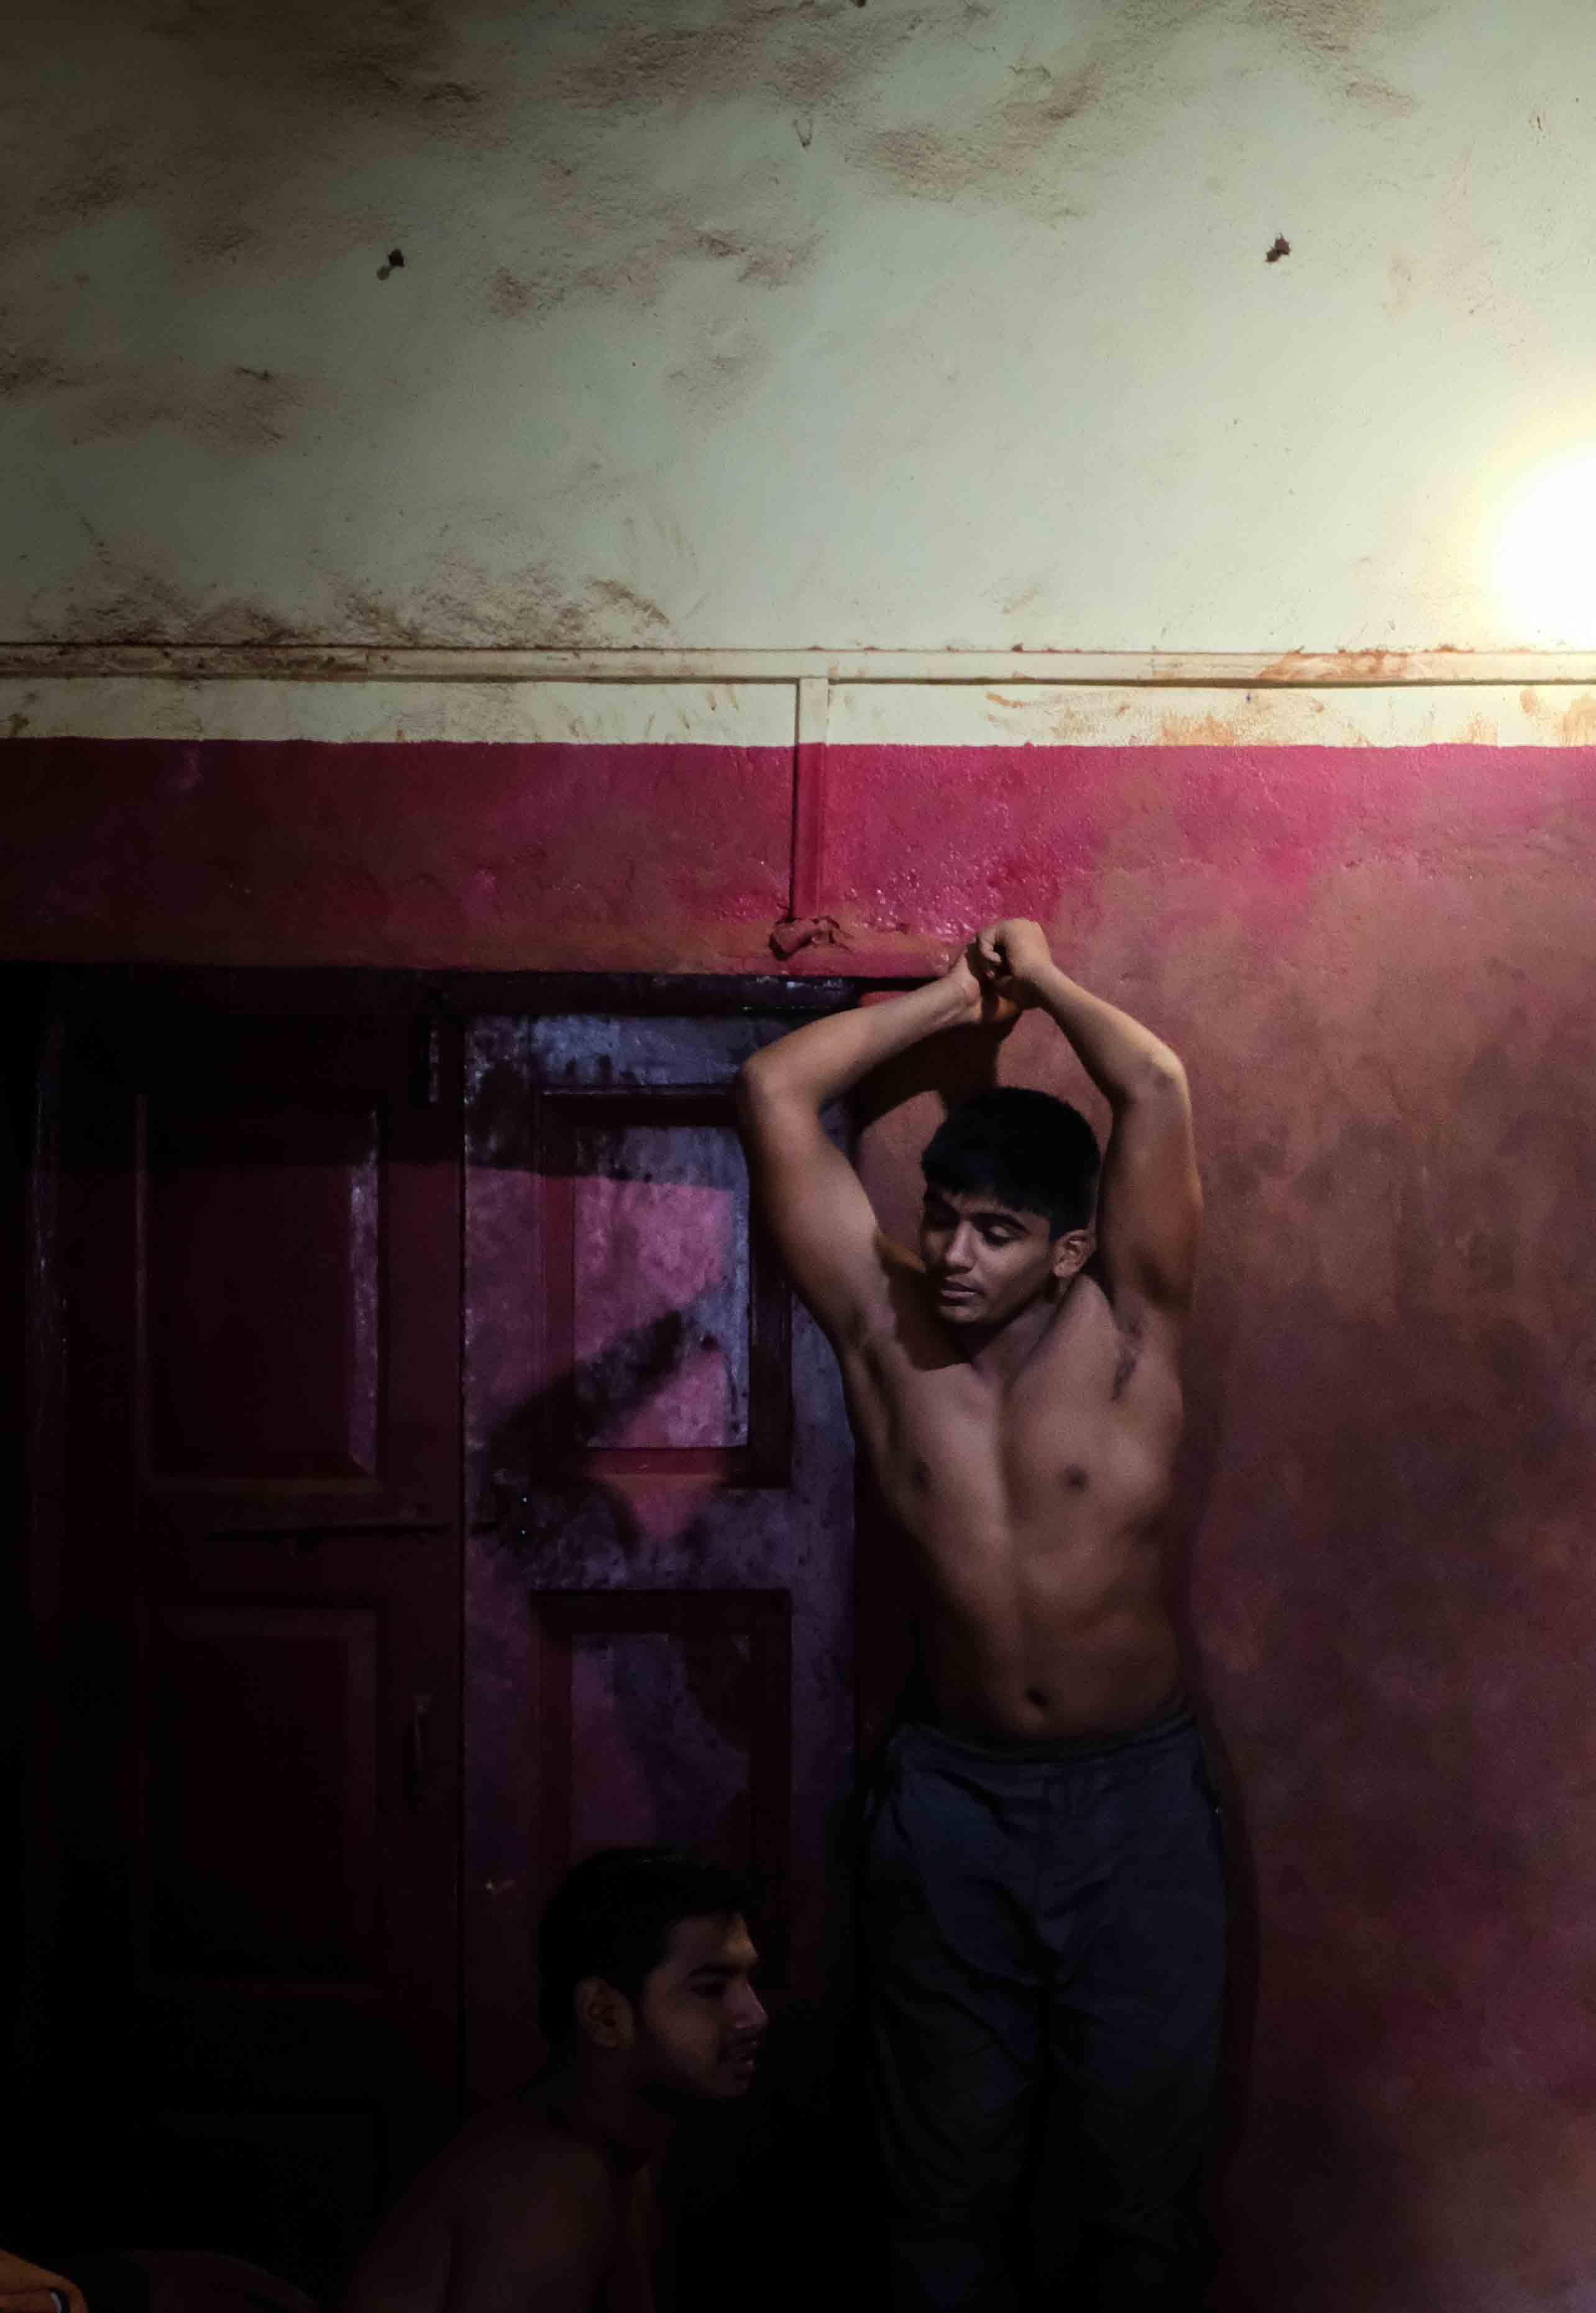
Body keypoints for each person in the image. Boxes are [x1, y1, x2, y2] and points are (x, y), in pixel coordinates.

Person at [734, 919, 1220, 2309]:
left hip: (1133, 1810)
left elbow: (1160, 1090)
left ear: (1067, 1250)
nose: (950, 1252)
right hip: (952, 1800)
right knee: (939, 2190)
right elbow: (774, 1088)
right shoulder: (885, 1335)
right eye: (941, 1215)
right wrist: (952, 1000)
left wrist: (1052, 982)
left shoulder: (1131, 1332)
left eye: (994, 1231)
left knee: (1143, 2196)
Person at [340, 1849, 767, 2313]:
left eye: (749, 1980)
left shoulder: (619, 2155)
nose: (756, 2015)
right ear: (603, 2013)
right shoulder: (555, 2185)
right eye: (711, 1988)